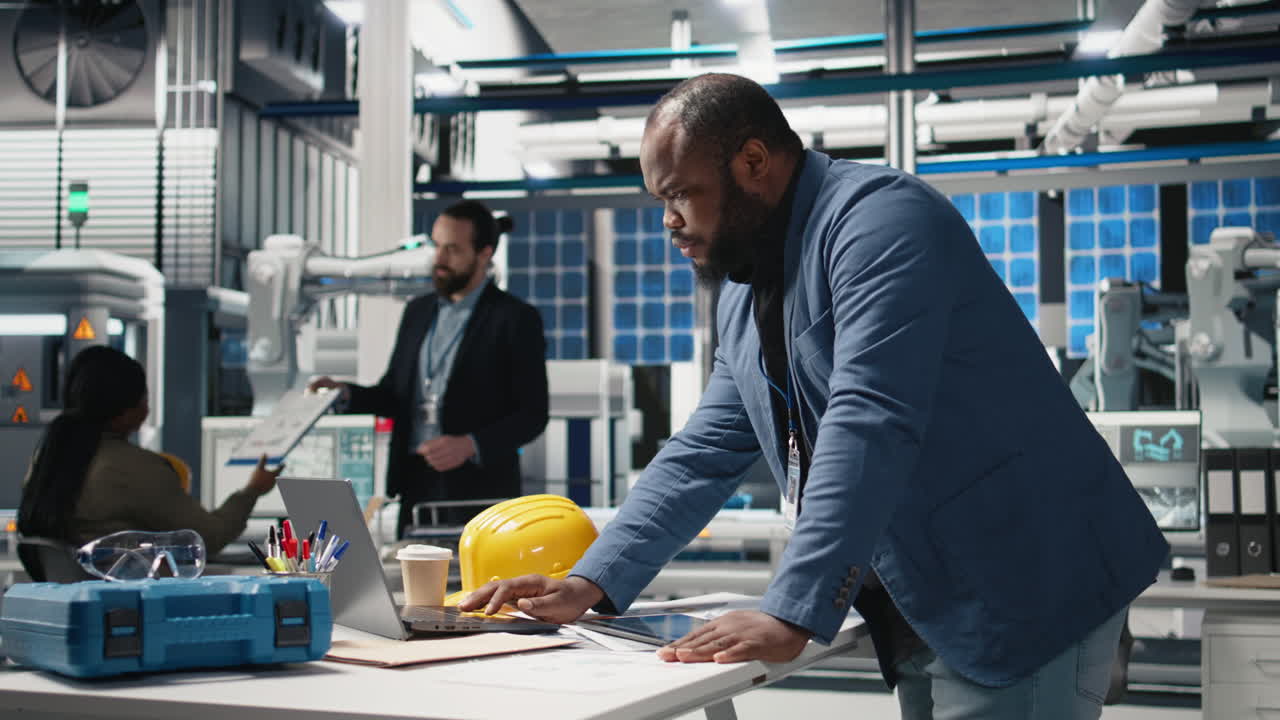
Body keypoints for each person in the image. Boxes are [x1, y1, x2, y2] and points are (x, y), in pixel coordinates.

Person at [461, 73, 1168, 719]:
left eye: (679, 193)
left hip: (1021, 579)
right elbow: (702, 453)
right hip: (929, 596)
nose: (668, 221)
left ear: (753, 163)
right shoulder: (747, 295)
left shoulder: (882, 223)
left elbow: (870, 417)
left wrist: (793, 610)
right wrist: (594, 582)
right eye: (660, 200)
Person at [311, 200, 549, 535]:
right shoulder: (417, 313)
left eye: (452, 249)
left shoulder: (514, 318)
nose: (439, 259)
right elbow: (394, 394)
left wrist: (470, 444)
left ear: (484, 253)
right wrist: (346, 393)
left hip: (480, 492)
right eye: (437, 246)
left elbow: (533, 414)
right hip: (415, 484)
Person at [18, 345, 280, 559]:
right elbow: (208, 538)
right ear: (127, 411)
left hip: (75, 606)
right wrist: (252, 491)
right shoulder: (133, 468)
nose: (148, 407)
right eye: (144, 398)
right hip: (123, 606)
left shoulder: (49, 457)